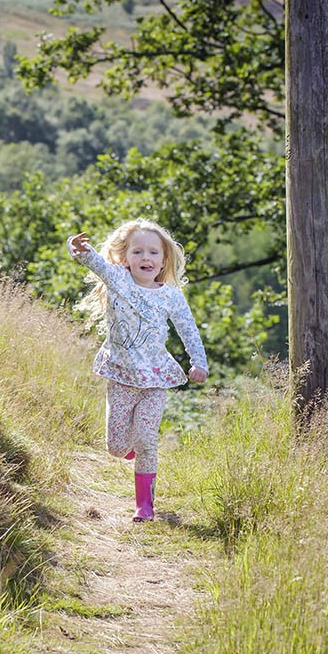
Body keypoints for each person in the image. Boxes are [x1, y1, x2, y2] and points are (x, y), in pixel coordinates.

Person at [68, 220, 208, 522]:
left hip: (155, 379)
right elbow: (91, 260)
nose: (146, 258)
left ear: (163, 261)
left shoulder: (170, 295)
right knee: (117, 448)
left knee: (147, 438)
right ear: (125, 257)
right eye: (138, 251)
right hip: (121, 376)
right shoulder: (117, 278)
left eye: (153, 253)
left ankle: (145, 506)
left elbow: (188, 330)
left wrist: (199, 362)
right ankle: (128, 445)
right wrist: (78, 249)